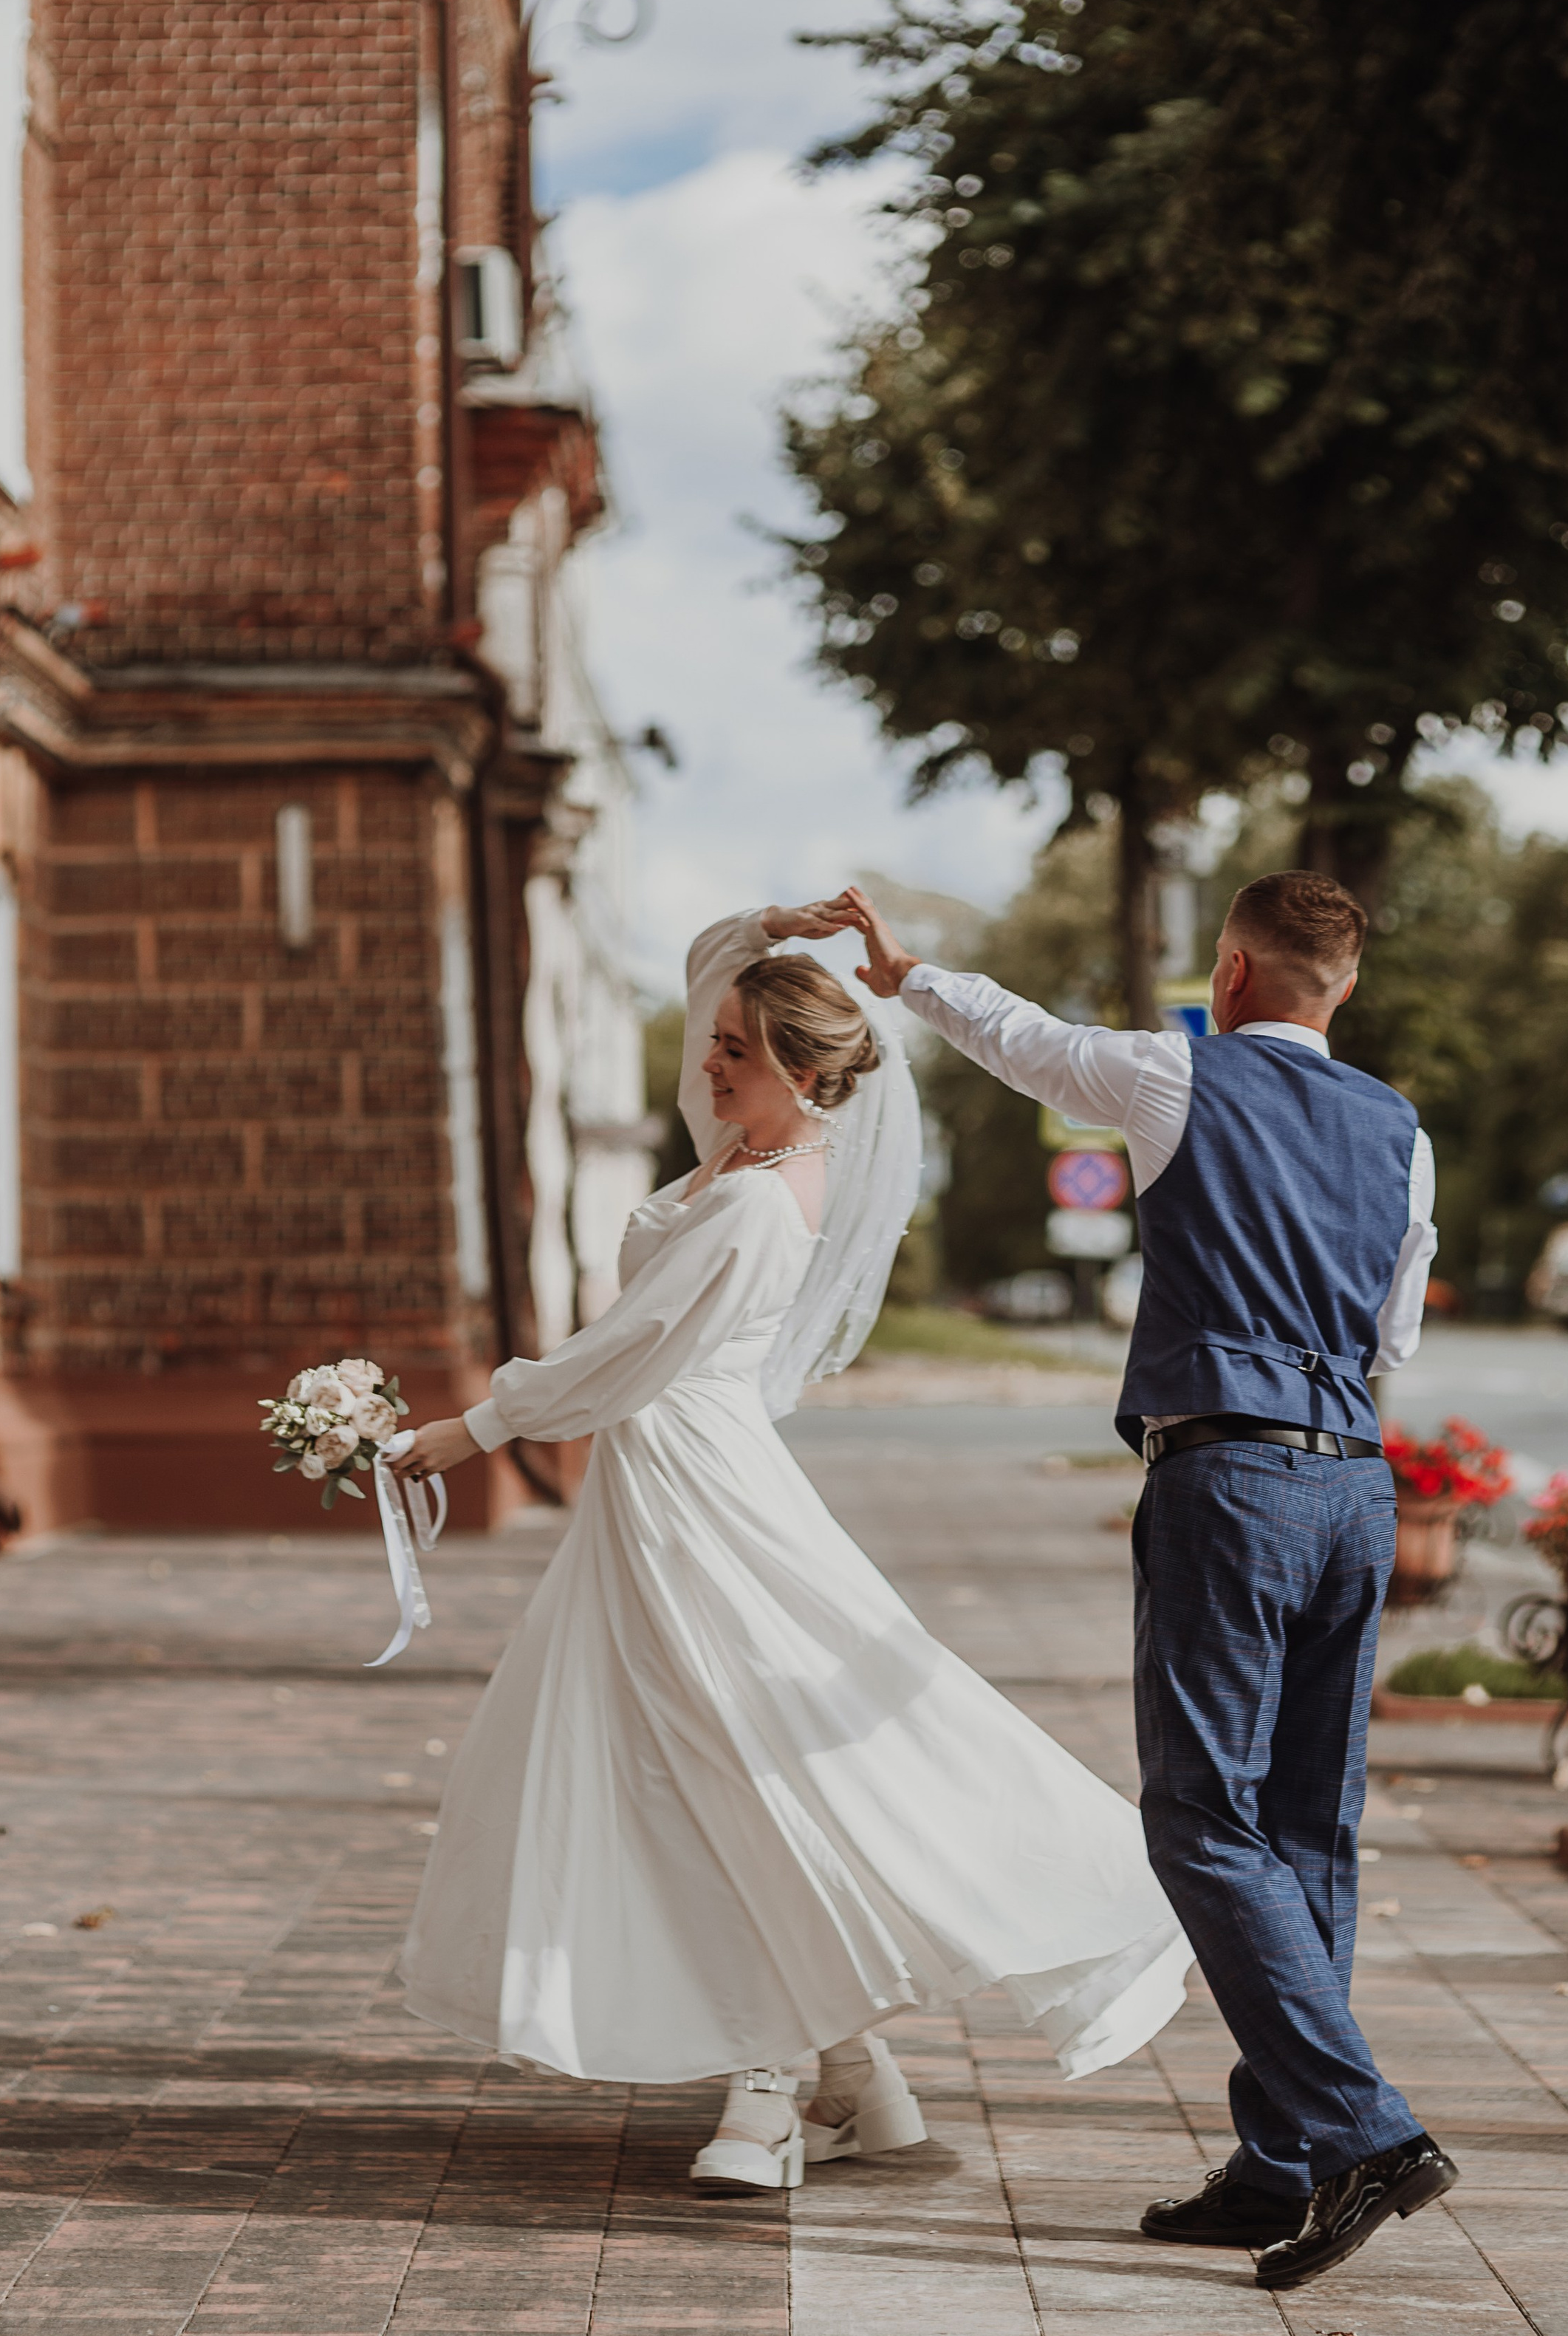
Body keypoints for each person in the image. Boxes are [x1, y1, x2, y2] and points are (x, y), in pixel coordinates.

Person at [396, 903, 1190, 2193]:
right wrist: (770, 929)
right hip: (654, 1494)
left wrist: (474, 1426)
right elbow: (713, 969)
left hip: (704, 1495)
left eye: (738, 1053)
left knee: (737, 1762)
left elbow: (632, 1353)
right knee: (683, 1754)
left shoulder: (762, 1204)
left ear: (806, 1073)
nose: (710, 1066)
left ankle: (766, 2084)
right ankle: (857, 2081)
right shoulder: (737, 1149)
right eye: (713, 1045)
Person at [846, 871, 1458, 2289]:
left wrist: (906, 973)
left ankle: (1364, 2133)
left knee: (1195, 1811)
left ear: (1233, 970)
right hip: (1359, 1484)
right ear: (1343, 988)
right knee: (1310, 1826)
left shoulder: (1175, 1075)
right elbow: (1395, 1336)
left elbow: (1025, 1041)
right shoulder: (1402, 1131)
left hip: (1229, 1474)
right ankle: (1284, 2165)